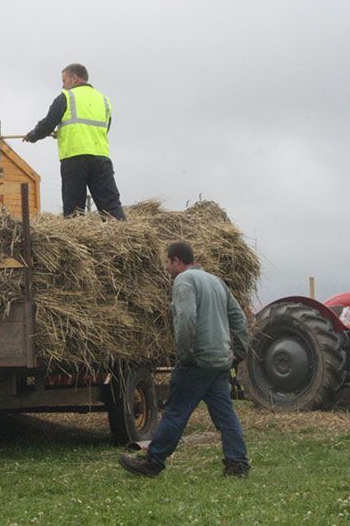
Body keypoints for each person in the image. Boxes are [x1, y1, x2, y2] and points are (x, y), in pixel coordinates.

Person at [120, 241, 251, 478]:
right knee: (225, 415)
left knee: (175, 412)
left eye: (167, 263)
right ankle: (238, 463)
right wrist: (240, 352)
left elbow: (186, 319)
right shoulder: (216, 281)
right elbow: (240, 320)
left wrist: (185, 354)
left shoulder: (184, 281)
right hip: (220, 361)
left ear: (177, 261)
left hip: (197, 361)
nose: (167, 268)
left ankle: (153, 461)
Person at [23, 64, 126, 219]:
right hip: (101, 159)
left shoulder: (66, 97)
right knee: (111, 206)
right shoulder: (104, 100)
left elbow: (48, 124)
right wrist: (65, 132)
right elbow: (104, 128)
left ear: (75, 78)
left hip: (74, 158)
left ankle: (77, 242)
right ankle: (122, 238)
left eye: (64, 80)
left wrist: (32, 135)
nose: (63, 85)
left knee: (74, 210)